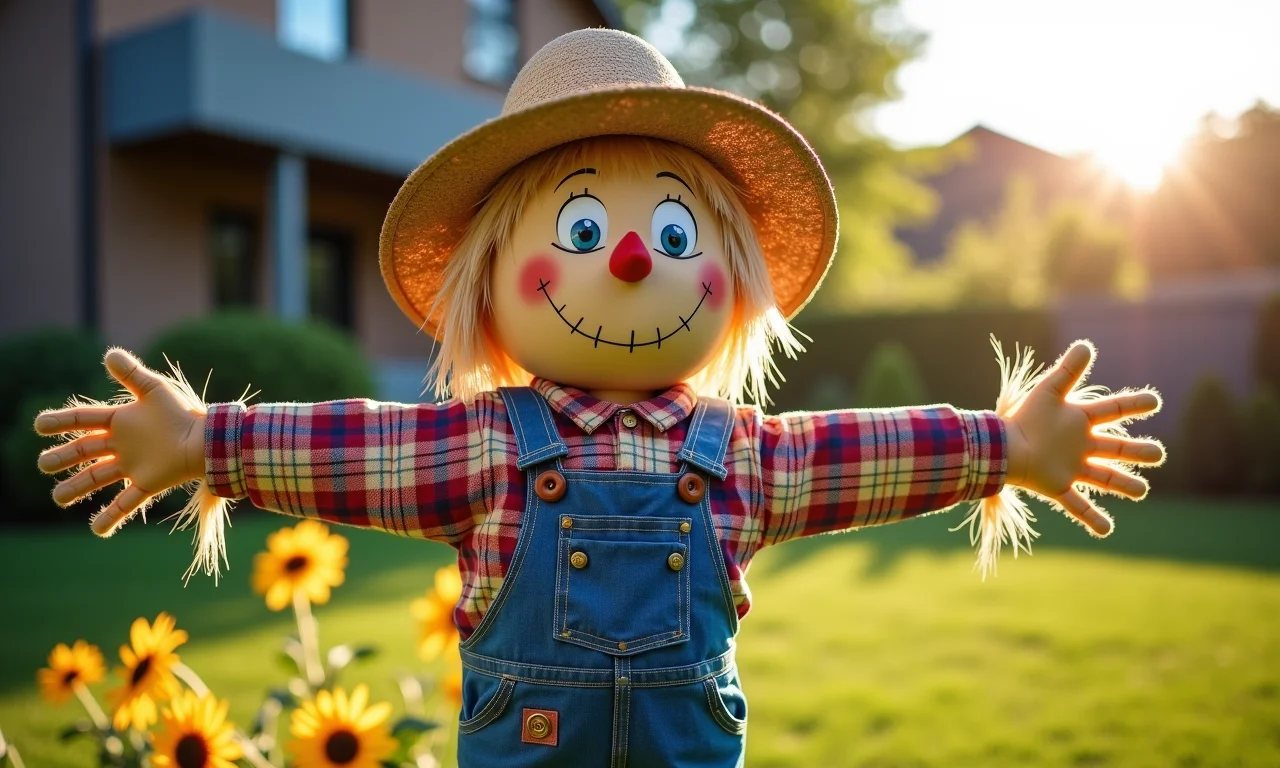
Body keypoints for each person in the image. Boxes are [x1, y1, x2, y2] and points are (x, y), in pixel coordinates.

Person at [35, 29, 1164, 768]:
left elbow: (863, 452)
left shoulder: (748, 457)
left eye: (671, 236)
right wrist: (207, 440)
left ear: (730, 287)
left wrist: (1000, 444)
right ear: (490, 284)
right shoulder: (478, 447)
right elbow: (351, 449)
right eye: (582, 230)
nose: (628, 259)